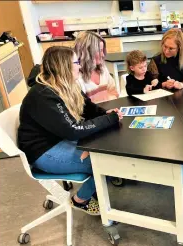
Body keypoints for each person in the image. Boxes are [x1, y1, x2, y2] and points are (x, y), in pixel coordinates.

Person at [18, 46, 123, 215]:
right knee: (108, 163)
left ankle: (94, 188)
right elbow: (73, 130)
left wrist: (105, 114)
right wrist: (108, 120)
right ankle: (81, 200)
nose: (80, 66)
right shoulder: (43, 94)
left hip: (58, 139)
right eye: (76, 62)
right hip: (43, 151)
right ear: (63, 66)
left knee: (108, 151)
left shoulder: (67, 85)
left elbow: (87, 108)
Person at [74, 31, 119, 103]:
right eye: (100, 51)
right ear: (87, 52)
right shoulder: (77, 77)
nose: (103, 55)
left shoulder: (103, 68)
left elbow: (114, 93)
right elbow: (81, 108)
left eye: (103, 50)